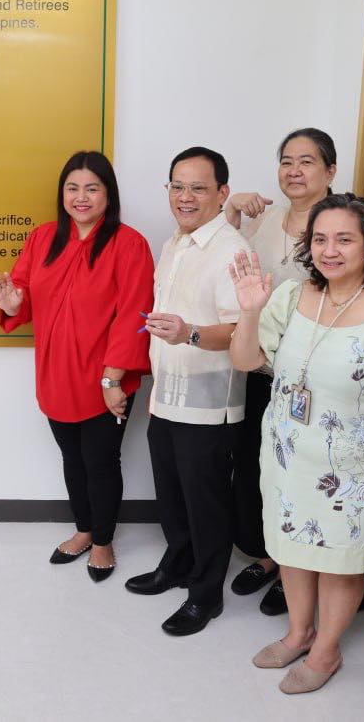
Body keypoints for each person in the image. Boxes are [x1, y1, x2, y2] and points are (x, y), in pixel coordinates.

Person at [229, 193, 364, 694]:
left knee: (340, 564)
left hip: (353, 471)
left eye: (344, 239)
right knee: (293, 552)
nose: (330, 250)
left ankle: (326, 650)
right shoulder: (292, 296)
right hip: (287, 459)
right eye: (320, 239)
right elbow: (245, 360)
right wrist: (250, 312)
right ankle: (299, 633)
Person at [0, 152, 153, 581]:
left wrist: (113, 379)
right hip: (55, 373)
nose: (81, 197)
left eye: (92, 188)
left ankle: (103, 542)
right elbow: (23, 293)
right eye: (73, 188)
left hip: (104, 379)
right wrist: (12, 302)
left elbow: (134, 313)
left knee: (101, 462)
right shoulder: (43, 239)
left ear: (108, 194)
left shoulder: (129, 244)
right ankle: (84, 529)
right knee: (72, 459)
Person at [124, 147, 250, 636]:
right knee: (172, 496)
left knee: (206, 505)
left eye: (198, 187)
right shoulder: (174, 243)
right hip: (166, 397)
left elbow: (241, 332)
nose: (185, 197)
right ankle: (176, 564)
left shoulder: (233, 250)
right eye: (177, 186)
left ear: (222, 193)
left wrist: (189, 334)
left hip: (208, 406)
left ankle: (205, 595)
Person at [221, 128, 336, 616]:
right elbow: (231, 263)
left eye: (307, 161)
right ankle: (269, 556)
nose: (294, 170)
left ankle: (300, 569)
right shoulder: (265, 219)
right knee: (257, 469)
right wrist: (232, 211)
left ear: (330, 171)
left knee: (305, 474)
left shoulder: (340, 221)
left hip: (315, 378)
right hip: (262, 368)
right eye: (287, 160)